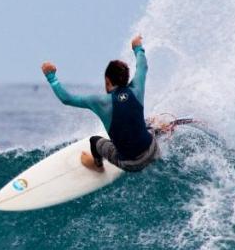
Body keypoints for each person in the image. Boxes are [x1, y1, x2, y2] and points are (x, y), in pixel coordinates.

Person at [40, 34, 162, 173]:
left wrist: (51, 77)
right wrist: (137, 48)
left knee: (95, 141)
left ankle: (97, 165)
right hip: (153, 150)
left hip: (131, 164)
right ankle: (160, 129)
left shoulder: (99, 102)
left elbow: (66, 99)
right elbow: (142, 66)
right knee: (143, 122)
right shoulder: (137, 89)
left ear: (108, 81)